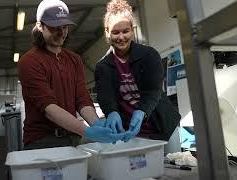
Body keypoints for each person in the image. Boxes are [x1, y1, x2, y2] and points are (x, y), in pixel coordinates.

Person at [18, 0, 124, 150]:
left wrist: (97, 124)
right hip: (42, 141)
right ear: (40, 26)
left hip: (72, 137)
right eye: (55, 28)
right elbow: (49, 108)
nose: (62, 33)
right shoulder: (29, 61)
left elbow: (82, 99)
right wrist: (88, 131)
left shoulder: (74, 59)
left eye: (65, 27)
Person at [94, 0, 181, 142]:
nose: (121, 37)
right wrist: (112, 112)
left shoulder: (149, 55)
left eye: (125, 31)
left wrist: (142, 111)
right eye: (116, 32)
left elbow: (154, 90)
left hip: (163, 127)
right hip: (128, 133)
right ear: (107, 32)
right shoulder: (102, 67)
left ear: (132, 29)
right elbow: (105, 97)